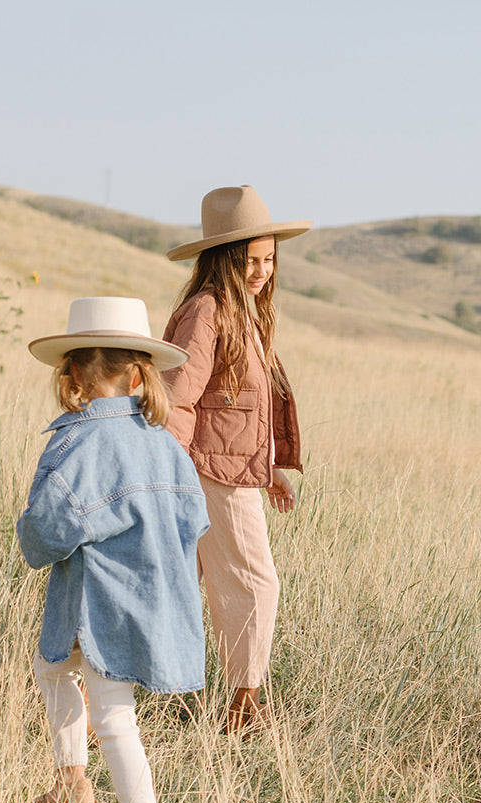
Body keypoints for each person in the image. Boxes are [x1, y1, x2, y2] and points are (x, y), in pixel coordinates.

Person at [19, 297, 210, 803]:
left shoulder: (76, 445)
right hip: (150, 600)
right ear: (137, 373)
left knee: (113, 714)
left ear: (72, 375)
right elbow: (194, 521)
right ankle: (72, 781)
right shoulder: (165, 445)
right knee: (52, 667)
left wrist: (37, 534)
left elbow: (43, 535)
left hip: (98, 604)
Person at [161, 185, 312, 734]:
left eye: (269, 259)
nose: (262, 271)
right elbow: (177, 395)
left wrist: (269, 467)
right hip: (208, 472)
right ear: (223, 259)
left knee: (176, 582)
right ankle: (244, 704)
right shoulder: (207, 312)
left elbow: (245, 407)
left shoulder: (243, 312)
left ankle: (125, 691)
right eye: (251, 260)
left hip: (226, 469)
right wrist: (171, 470)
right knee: (255, 581)